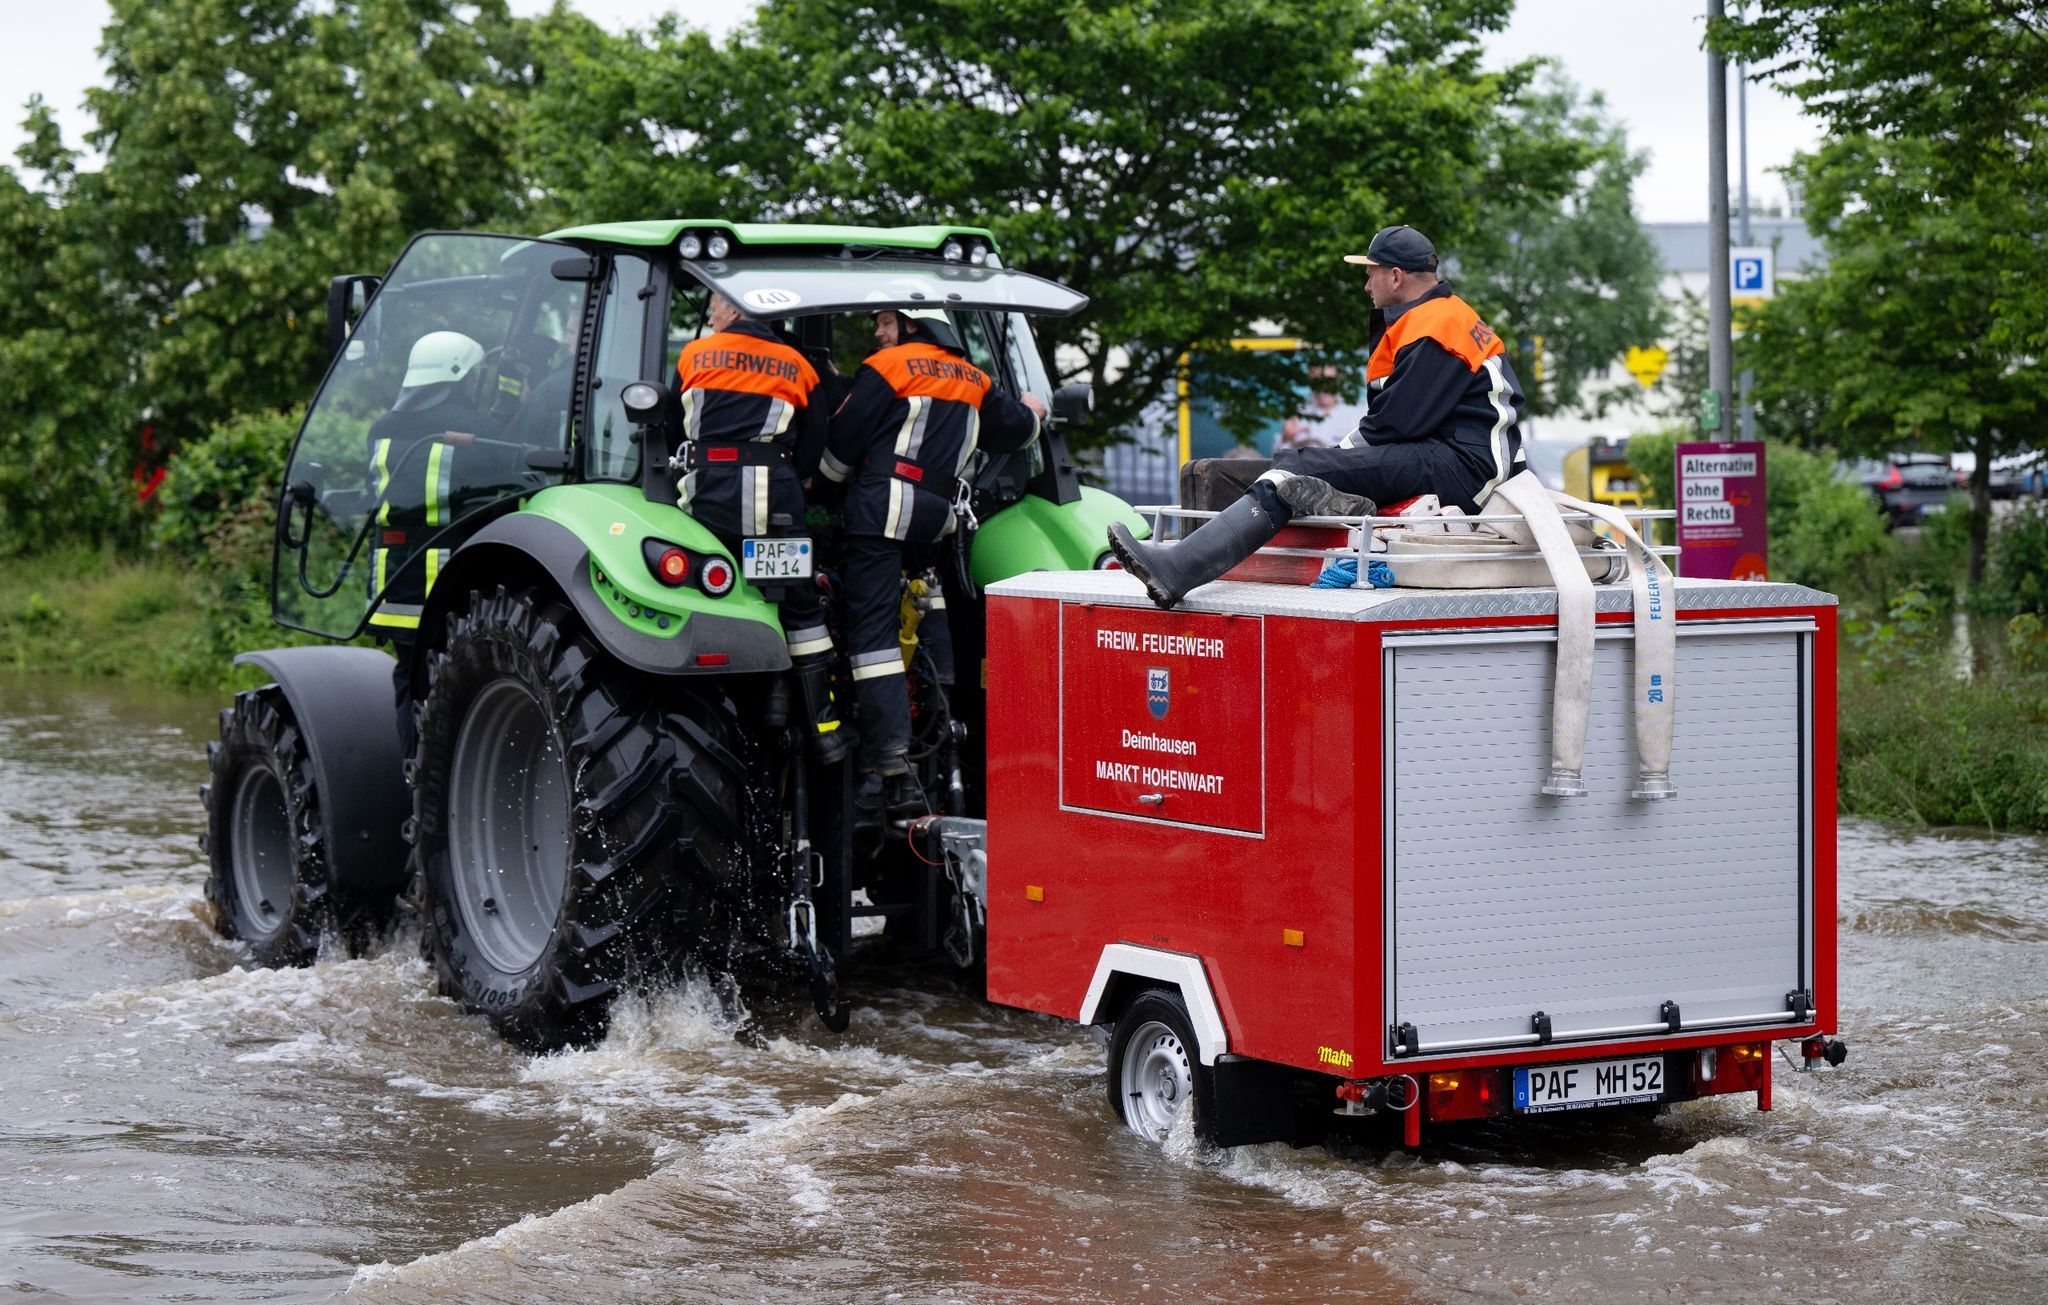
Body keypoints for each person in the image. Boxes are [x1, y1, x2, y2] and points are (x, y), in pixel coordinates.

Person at [1108, 225, 1527, 609]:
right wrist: (1336, 463)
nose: (1367, 285)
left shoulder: (1435, 326)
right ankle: (1326, 496)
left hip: (1463, 468)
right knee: (1303, 467)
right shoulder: (1441, 317)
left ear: (1396, 276)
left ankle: (1178, 569)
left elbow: (1394, 425)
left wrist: (1329, 461)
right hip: (1459, 459)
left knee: (1298, 470)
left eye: (1371, 274)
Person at [822, 308, 1048, 821]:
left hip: (881, 510)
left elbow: (838, 452)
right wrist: (1033, 411)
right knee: (928, 603)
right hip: (935, 516)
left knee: (872, 638)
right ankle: (939, 724)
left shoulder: (887, 366)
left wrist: (822, 482)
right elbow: (1016, 431)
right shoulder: (974, 378)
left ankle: (890, 762)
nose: (878, 332)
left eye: (886, 322)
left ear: (915, 323)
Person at [675, 293, 846, 763]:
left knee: (709, 600)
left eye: (715, 305)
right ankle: (824, 732)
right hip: (777, 501)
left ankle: (715, 721)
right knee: (799, 605)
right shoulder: (797, 364)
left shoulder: (694, 354)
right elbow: (815, 439)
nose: (712, 314)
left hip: (707, 497)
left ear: (734, 309)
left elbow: (672, 425)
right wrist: (795, 476)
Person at [364, 331, 501, 751]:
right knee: (458, 686)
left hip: (395, 581)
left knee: (410, 678)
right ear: (460, 376)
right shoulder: (479, 430)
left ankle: (414, 772)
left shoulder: (381, 429)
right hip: (449, 583)